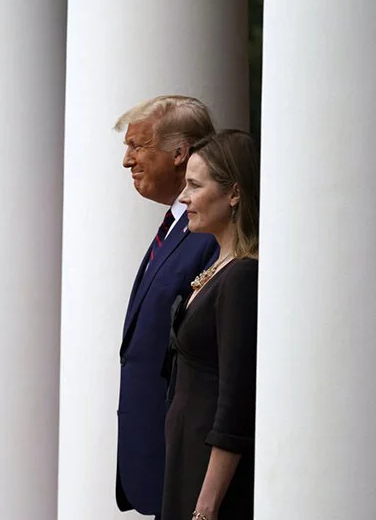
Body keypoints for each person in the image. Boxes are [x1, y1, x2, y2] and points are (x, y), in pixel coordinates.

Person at [114, 96, 219, 519]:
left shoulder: (209, 231)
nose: (127, 161)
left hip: (183, 457)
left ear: (180, 154)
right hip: (156, 454)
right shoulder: (177, 225)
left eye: (138, 146)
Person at [161, 130, 260, 520]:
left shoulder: (241, 277)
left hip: (209, 479)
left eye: (194, 185)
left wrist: (206, 506)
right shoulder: (217, 268)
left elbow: (235, 401)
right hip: (186, 459)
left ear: (234, 193)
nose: (183, 198)